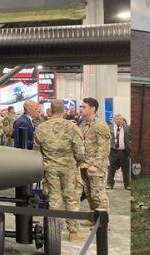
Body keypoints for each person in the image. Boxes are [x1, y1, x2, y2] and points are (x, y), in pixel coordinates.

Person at [34, 99, 86, 242]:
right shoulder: (72, 127)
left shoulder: (41, 128)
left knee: (54, 199)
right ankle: (73, 232)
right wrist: (80, 163)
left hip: (50, 168)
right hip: (69, 168)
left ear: (50, 111)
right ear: (64, 111)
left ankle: (54, 230)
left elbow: (36, 151)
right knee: (71, 198)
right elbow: (79, 151)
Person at [78, 97, 111, 219]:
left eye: (84, 107)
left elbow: (104, 148)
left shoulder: (100, 125)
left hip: (96, 166)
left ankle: (102, 223)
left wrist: (96, 165)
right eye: (81, 106)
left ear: (92, 109)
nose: (81, 109)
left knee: (98, 194)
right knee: (90, 193)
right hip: (84, 165)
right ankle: (94, 219)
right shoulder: (83, 124)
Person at [107, 114, 131, 189]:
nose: (119, 121)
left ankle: (127, 184)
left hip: (124, 151)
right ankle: (109, 184)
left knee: (125, 169)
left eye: (120, 119)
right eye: (117, 119)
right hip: (113, 151)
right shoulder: (109, 128)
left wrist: (130, 148)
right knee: (111, 169)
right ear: (114, 120)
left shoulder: (127, 128)